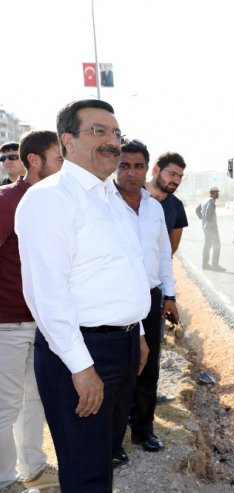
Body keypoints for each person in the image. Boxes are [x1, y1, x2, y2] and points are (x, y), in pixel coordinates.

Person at [15, 99, 151, 492]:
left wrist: (137, 331)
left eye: (115, 133)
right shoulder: (50, 198)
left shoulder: (110, 199)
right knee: (85, 471)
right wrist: (80, 367)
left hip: (121, 346)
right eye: (98, 131)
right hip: (79, 353)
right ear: (67, 141)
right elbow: (47, 294)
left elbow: (120, 273)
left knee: (102, 457)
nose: (112, 141)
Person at [0, 131, 63, 492]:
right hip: (8, 322)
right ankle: (5, 480)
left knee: (35, 400)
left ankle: (34, 468)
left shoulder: (52, 203)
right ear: (35, 160)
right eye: (58, 159)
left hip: (41, 322)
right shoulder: (7, 201)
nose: (63, 166)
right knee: (6, 406)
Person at [111, 140, 178, 465]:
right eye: (124, 165)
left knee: (148, 367)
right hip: (117, 298)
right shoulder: (105, 206)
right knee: (122, 370)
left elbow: (164, 254)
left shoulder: (153, 208)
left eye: (138, 166)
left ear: (147, 169)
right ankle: (114, 440)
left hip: (150, 299)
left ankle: (143, 429)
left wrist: (169, 295)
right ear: (115, 166)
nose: (131, 173)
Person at [145, 152, 188, 254]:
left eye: (180, 176)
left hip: (155, 268)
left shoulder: (177, 206)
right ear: (156, 170)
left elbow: (171, 249)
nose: (177, 181)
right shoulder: (131, 193)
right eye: (172, 174)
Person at [196, 186, 224, 271]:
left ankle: (205, 264)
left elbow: (197, 210)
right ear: (213, 193)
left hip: (205, 227)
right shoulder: (211, 201)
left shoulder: (205, 200)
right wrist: (208, 221)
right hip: (211, 228)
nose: (218, 194)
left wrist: (202, 219)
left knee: (207, 245)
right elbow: (208, 213)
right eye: (217, 192)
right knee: (217, 246)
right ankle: (215, 265)